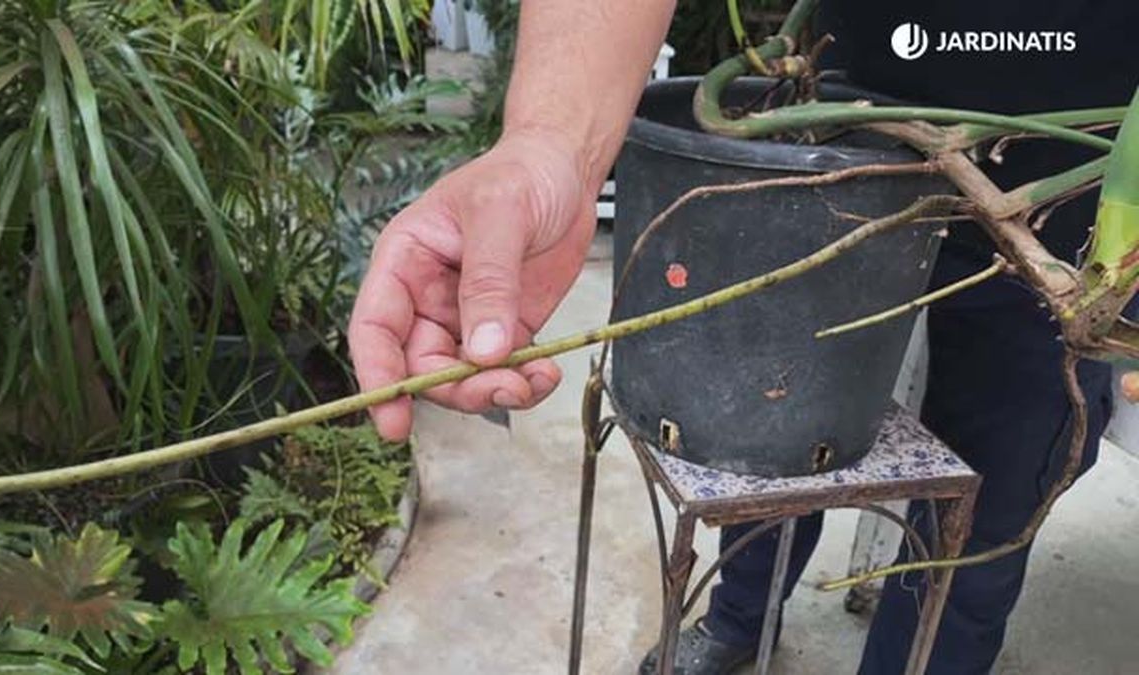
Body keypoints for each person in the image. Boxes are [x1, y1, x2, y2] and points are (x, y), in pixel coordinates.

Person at [349, 2, 1138, 673]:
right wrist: (550, 141)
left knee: (993, 497)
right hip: (841, 142)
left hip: (1086, 198)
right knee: (780, 419)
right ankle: (736, 624)